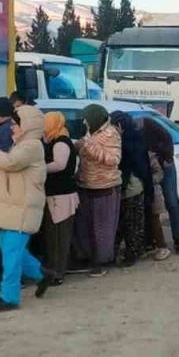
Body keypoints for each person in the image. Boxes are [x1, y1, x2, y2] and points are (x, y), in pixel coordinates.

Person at [0, 106, 48, 312]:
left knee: (10, 253)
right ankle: (42, 274)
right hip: (15, 207)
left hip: (23, 209)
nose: (12, 127)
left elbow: (7, 163)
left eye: (16, 124)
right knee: (9, 248)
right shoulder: (24, 145)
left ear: (28, 126)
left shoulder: (31, 147)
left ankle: (9, 298)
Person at [74, 104, 122, 275]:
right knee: (85, 227)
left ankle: (100, 263)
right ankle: (87, 258)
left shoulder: (111, 134)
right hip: (85, 185)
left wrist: (89, 146)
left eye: (87, 118)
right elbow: (86, 144)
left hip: (104, 187)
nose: (84, 122)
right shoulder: (91, 132)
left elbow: (113, 159)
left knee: (102, 229)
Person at [40, 111, 79, 287]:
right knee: (53, 235)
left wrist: (39, 168)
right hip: (56, 195)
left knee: (59, 236)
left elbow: (59, 164)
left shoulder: (61, 142)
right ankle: (54, 270)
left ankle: (58, 272)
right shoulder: (53, 139)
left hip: (61, 196)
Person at [111, 110, 151, 267]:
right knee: (129, 222)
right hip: (132, 185)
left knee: (130, 222)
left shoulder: (127, 141)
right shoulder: (134, 137)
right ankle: (130, 251)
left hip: (132, 186)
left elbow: (136, 165)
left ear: (120, 126)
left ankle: (131, 253)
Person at [142, 116, 179, 253]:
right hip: (154, 168)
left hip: (165, 167)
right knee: (153, 205)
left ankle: (178, 239)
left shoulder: (146, 123)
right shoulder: (138, 128)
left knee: (171, 202)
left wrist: (167, 158)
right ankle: (153, 240)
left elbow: (167, 136)